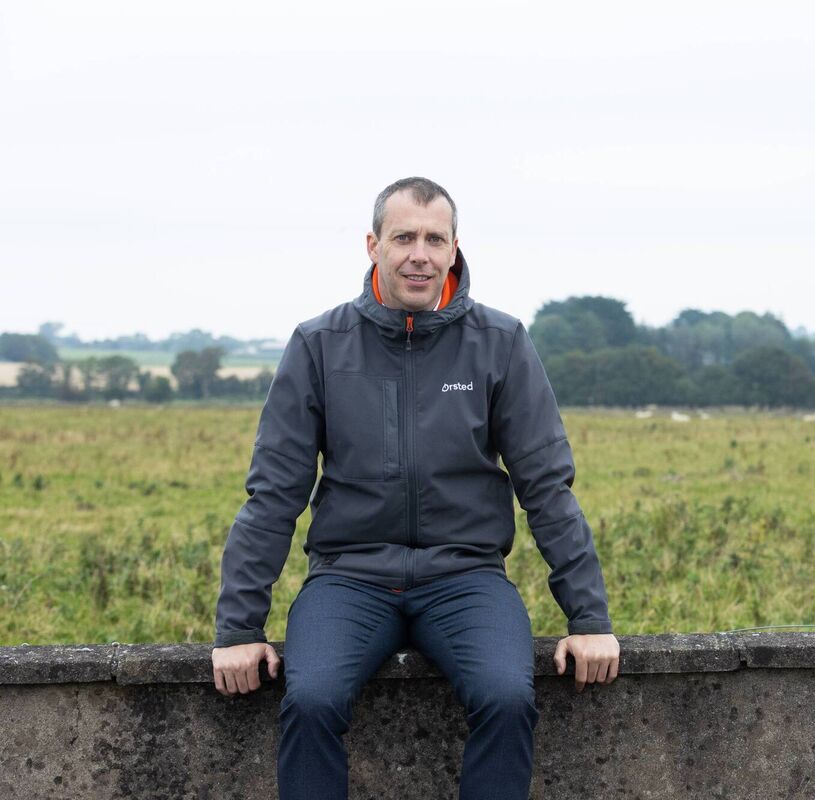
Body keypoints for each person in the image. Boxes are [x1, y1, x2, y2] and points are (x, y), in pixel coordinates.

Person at [210, 176, 620, 800]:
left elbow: (547, 487)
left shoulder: (501, 343)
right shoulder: (319, 345)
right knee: (312, 699)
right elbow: (273, 495)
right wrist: (239, 630)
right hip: (348, 577)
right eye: (404, 237)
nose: (419, 254)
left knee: (508, 697)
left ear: (455, 250)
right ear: (373, 245)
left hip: (466, 577)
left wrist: (588, 618)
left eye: (435, 239)